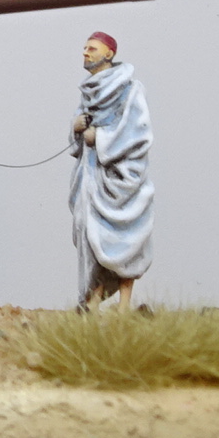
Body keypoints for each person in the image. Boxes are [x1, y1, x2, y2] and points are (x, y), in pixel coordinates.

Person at [68, 31, 153, 310]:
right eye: (84, 48)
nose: (85, 52)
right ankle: (94, 297)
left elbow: (138, 131)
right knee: (91, 236)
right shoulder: (88, 91)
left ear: (109, 54)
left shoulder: (129, 88)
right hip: (91, 178)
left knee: (125, 240)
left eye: (92, 48)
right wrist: (77, 127)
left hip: (119, 177)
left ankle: (125, 305)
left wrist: (101, 138)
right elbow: (80, 133)